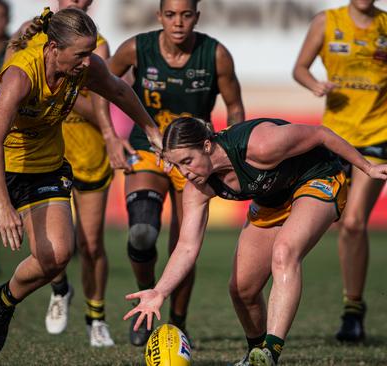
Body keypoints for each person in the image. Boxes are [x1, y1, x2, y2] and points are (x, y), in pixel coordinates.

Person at [0, 8, 161, 366]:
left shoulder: (83, 67)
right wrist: (3, 206)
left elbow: (119, 91)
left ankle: (5, 301)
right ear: (54, 48)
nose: (87, 61)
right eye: (81, 54)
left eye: (90, 53)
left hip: (43, 166)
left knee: (57, 254)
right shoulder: (20, 75)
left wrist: (151, 129)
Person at [124, 117, 387, 365]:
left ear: (207, 145)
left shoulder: (261, 145)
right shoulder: (197, 187)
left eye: (187, 161)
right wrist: (159, 291)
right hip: (271, 199)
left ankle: (270, 351)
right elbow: (186, 246)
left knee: (284, 252)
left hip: (317, 178)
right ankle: (255, 354)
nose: (184, 172)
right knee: (242, 289)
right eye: (177, 165)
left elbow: (321, 134)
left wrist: (367, 168)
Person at [107, 0, 245, 346]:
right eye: (171, 15)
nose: (178, 22)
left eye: (186, 15)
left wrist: (233, 155)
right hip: (147, 149)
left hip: (195, 160)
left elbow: (235, 107)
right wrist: (110, 136)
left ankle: (178, 322)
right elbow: (101, 83)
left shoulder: (216, 55)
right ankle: (145, 304)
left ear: (196, 17)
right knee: (141, 232)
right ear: (159, 17)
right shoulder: (137, 49)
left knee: (183, 247)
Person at [292, 0, 387, 342]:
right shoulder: (327, 22)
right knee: (326, 220)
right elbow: (300, 68)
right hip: (336, 137)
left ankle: (353, 310)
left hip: (380, 134)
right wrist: (314, 85)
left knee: (353, 223)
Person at [5, 0, 126, 347]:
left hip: (87, 154)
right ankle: (60, 290)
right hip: (41, 156)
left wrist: (107, 133)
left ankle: (96, 317)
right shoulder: (29, 34)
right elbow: (5, 89)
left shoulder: (95, 45)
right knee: (48, 247)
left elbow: (104, 102)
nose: (74, 1)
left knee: (90, 244)